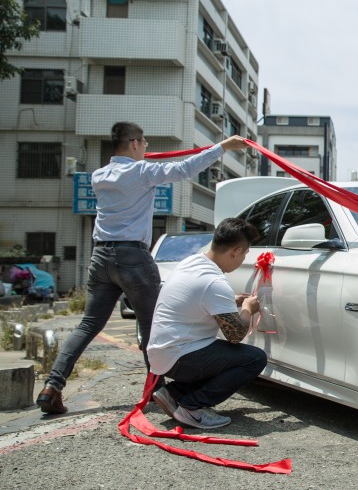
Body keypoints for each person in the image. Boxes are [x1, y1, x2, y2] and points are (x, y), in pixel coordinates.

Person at [36, 122, 248, 414]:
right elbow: (185, 169)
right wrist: (222, 147)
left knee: (88, 324)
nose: (147, 147)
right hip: (132, 256)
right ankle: (157, 391)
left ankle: (52, 385)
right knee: (153, 326)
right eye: (145, 143)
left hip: (101, 256)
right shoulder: (142, 172)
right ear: (135, 143)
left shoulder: (99, 175)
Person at [147, 217, 267, 429]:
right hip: (180, 357)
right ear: (236, 251)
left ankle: (173, 393)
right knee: (254, 359)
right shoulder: (214, 282)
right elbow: (235, 335)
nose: (243, 259)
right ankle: (192, 408)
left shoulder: (192, 262)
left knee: (215, 353)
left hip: (162, 354)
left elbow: (198, 300)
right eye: (245, 254)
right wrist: (248, 308)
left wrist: (232, 301)